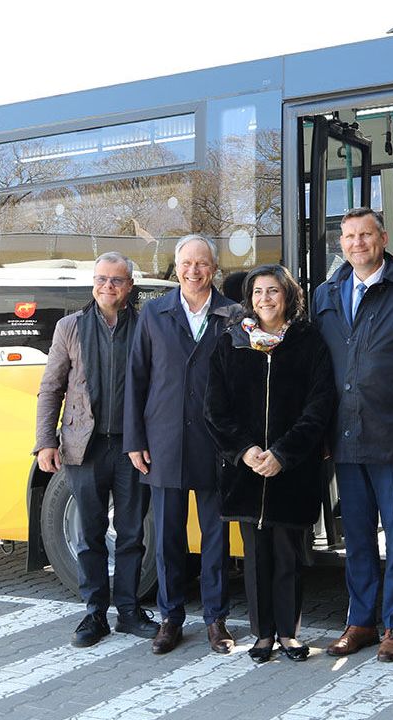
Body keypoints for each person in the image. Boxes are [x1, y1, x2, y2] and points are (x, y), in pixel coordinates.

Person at [311, 208, 393, 663]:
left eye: (365, 234)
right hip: (344, 436)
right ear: (341, 244)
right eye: (349, 236)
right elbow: (318, 370)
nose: (357, 243)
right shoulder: (326, 293)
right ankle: (361, 622)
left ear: (383, 239)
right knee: (357, 536)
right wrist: (319, 431)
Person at [204, 265, 336, 664]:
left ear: (288, 296)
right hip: (245, 472)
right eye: (258, 292)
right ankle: (262, 634)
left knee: (289, 555)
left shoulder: (308, 341)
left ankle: (289, 634)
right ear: (249, 299)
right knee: (256, 557)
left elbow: (319, 406)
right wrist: (244, 451)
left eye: (273, 291)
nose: (265, 299)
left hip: (291, 471)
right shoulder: (231, 342)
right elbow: (215, 409)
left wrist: (282, 454)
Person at [34, 252, 160, 646]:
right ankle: (94, 614)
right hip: (83, 448)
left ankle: (129, 611)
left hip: (131, 447)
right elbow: (51, 387)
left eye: (117, 280)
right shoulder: (69, 327)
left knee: (131, 533)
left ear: (129, 286)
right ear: (93, 283)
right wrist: (45, 441)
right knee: (89, 533)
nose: (108, 286)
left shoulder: (145, 325)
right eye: (102, 279)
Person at [125, 234, 237, 655]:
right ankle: (170, 618)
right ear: (176, 267)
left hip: (216, 443)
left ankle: (216, 619)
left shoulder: (233, 315)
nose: (194, 271)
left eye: (202, 263)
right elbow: (136, 379)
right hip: (164, 442)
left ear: (214, 268)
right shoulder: (154, 314)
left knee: (215, 538)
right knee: (168, 537)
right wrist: (135, 440)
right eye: (187, 263)